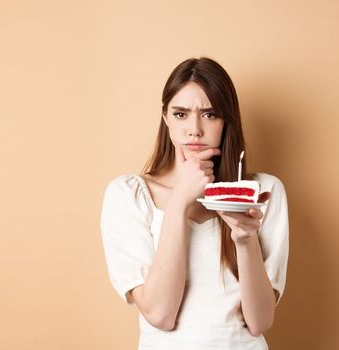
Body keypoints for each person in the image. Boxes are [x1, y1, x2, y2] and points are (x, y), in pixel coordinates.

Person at [100, 57, 289, 349]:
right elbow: (161, 314)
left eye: (210, 114)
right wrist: (178, 203)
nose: (195, 129)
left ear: (228, 120)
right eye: (181, 114)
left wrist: (244, 237)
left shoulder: (263, 192)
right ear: (165, 118)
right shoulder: (129, 194)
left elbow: (259, 322)